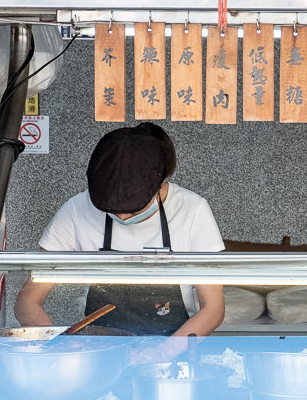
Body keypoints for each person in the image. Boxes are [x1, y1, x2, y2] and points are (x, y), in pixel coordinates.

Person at [15, 123, 225, 352]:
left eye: (133, 208)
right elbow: (27, 302)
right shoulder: (76, 210)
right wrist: (59, 348)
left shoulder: (192, 210)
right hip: (98, 354)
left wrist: (159, 355)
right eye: (111, 208)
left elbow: (212, 309)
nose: (123, 216)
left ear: (158, 183)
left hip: (173, 353)